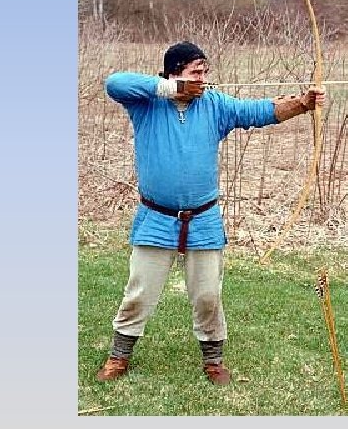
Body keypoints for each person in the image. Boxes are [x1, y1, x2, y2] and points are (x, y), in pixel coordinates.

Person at [96, 41, 326, 385]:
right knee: (139, 292)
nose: (202, 79)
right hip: (156, 218)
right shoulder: (146, 104)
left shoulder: (214, 105)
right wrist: (171, 90)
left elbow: (256, 111)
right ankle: (119, 357)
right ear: (174, 73)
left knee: (208, 295)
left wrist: (303, 104)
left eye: (204, 72)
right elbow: (114, 83)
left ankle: (213, 361)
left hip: (202, 219)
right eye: (195, 72)